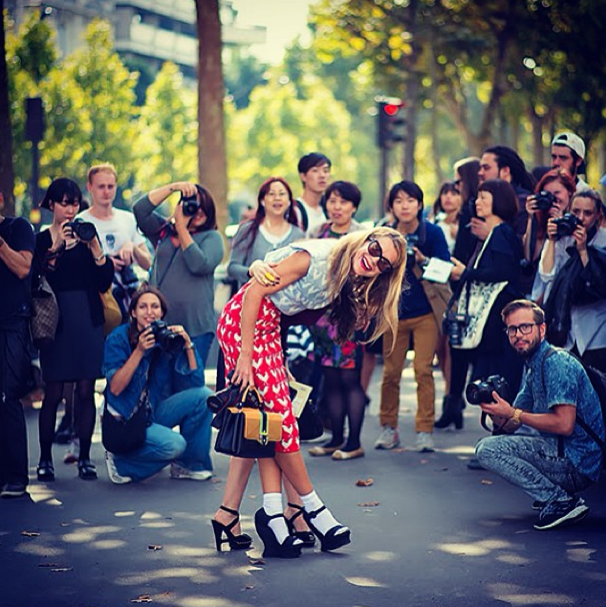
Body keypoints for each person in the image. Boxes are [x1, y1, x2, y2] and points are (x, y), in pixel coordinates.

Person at [212, 227, 407, 558]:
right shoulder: (315, 259)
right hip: (245, 325)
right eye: (375, 248)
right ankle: (312, 510)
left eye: (383, 264)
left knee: (271, 424)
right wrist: (245, 355)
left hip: (269, 329)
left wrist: (280, 359)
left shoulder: (346, 273)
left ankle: (270, 515)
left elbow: (283, 310)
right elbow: (254, 292)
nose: (373, 260)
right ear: (365, 239)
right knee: (279, 423)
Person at [475, 299, 604, 530]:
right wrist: (493, 408)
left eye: (525, 327)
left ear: (541, 329)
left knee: (487, 449)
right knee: (490, 444)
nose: (518, 335)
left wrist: (513, 412)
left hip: (578, 461)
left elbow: (564, 424)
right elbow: (511, 424)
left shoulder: (556, 363)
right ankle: (555, 497)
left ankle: (559, 500)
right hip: (563, 453)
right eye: (512, 329)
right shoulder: (535, 367)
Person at [33, 178, 114, 482]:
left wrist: (94, 247)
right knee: (53, 390)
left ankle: (85, 458)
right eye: (64, 203)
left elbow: (104, 281)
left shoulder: (87, 234)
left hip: (87, 320)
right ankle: (44, 459)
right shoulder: (42, 239)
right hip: (56, 322)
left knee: (85, 390)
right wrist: (56, 249)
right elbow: (35, 277)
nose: (70, 209)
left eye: (75, 203)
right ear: (51, 204)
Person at [102, 285, 213, 484]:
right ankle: (122, 464)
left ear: (162, 313)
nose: (150, 312)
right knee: (175, 444)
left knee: (203, 396)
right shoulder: (118, 338)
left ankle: (188, 465)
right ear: (133, 313)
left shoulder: (164, 338)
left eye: (155, 307)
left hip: (150, 411)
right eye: (143, 307)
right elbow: (116, 388)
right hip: (126, 420)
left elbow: (196, 383)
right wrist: (139, 351)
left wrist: (188, 344)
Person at [443, 180, 524, 434]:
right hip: (494, 320)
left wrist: (466, 273)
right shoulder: (496, 233)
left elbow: (503, 272)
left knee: (495, 382)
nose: (477, 203)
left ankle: (501, 436)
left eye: (483, 198)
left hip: (497, 321)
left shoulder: (501, 233)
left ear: (498, 201)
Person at [374, 181, 450, 453]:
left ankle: (424, 431)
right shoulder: (384, 233)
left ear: (419, 204)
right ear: (391, 206)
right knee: (391, 372)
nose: (404, 206)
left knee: (423, 371)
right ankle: (388, 428)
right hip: (393, 313)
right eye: (398, 201)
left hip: (425, 312)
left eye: (410, 200)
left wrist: (422, 260)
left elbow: (445, 269)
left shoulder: (433, 233)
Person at [134, 181, 224, 372]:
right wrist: (174, 187)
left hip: (196, 328)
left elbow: (199, 264)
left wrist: (182, 228)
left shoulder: (212, 238)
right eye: (194, 205)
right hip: (160, 325)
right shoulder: (164, 232)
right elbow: (140, 211)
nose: (198, 211)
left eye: (204, 207)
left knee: (190, 381)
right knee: (158, 382)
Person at [307, 181, 367, 460]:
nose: (337, 207)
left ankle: (354, 442)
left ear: (354, 206)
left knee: (349, 379)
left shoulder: (363, 235)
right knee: (329, 379)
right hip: (321, 317)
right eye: (332, 201)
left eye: (343, 201)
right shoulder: (317, 233)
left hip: (352, 316)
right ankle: (336, 439)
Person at [539, 189, 606, 373]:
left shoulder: (603, 240)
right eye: (576, 211)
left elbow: (598, 284)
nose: (581, 218)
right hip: (564, 332)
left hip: (596, 333)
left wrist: (583, 250)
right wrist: (552, 240)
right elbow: (546, 275)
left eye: (587, 213)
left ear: (598, 215)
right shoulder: (563, 237)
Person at [79, 163, 152, 319]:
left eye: (110, 186)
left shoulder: (128, 219)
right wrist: (106, 263)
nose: (106, 192)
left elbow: (148, 264)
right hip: (95, 302)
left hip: (128, 298)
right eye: (101, 186)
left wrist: (132, 248)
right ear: (89, 187)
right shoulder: (81, 222)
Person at [0, 202, 35, 498]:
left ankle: (16, 477)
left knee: (8, 395)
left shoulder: (18, 227)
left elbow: (23, 268)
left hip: (12, 323)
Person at [227, 177, 304, 289]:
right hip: (251, 297)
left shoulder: (298, 235)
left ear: (289, 202)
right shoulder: (247, 230)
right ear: (262, 201)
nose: (277, 198)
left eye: (282, 194)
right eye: (271, 194)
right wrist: (251, 271)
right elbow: (232, 268)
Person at [522, 169, 576, 302]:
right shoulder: (541, 223)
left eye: (557, 193)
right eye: (548, 194)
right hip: (539, 296)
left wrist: (561, 225)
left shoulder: (576, 223)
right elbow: (530, 256)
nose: (553, 199)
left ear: (569, 192)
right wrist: (531, 217)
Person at [293, 152, 331, 234]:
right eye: (315, 171)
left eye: (325, 171)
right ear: (303, 176)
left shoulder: (330, 209)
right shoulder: (295, 210)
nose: (322, 175)